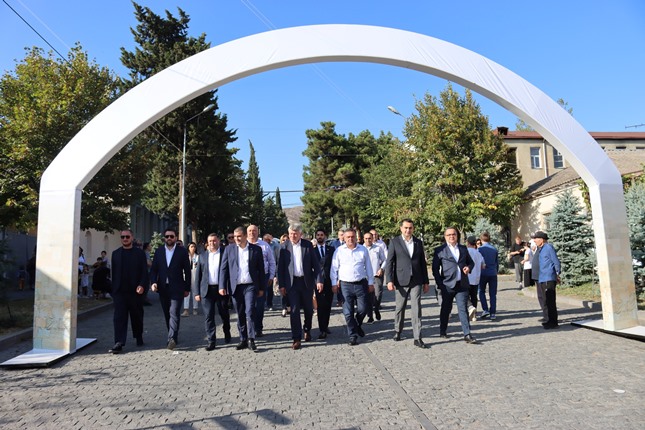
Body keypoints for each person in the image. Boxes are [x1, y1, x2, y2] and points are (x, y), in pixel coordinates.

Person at [219, 226, 265, 352]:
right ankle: (243, 338)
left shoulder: (256, 249)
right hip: (236, 286)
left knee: (249, 312)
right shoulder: (229, 249)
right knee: (239, 314)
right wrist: (222, 286)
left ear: (245, 236)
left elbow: (261, 270)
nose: (236, 239)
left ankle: (251, 338)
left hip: (250, 285)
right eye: (235, 237)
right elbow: (224, 269)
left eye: (239, 236)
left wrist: (261, 287)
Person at [384, 219, 429, 348]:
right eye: (406, 228)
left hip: (416, 280)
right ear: (401, 228)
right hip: (401, 279)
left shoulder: (418, 242)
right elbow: (389, 262)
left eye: (410, 228)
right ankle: (398, 330)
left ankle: (417, 337)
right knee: (400, 307)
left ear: (413, 229)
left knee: (416, 308)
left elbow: (422, 263)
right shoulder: (394, 242)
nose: (408, 230)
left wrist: (426, 281)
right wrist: (389, 280)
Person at [278, 224, 323, 349]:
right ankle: (296, 338)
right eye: (291, 233)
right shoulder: (283, 247)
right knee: (294, 310)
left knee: (308, 309)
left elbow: (316, 265)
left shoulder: (307, 245)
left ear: (300, 234)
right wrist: (281, 285)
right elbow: (280, 268)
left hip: (306, 282)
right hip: (292, 283)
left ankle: (307, 329)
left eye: (295, 233)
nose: (293, 236)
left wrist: (319, 280)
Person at [149, 227, 191, 350]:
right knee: (167, 313)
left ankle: (171, 338)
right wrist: (153, 282)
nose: (169, 238)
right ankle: (172, 335)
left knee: (174, 312)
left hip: (177, 287)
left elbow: (187, 271)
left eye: (171, 236)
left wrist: (187, 288)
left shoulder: (182, 252)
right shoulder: (159, 251)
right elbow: (154, 270)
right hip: (163, 288)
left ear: (176, 238)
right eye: (167, 236)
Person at [432, 228, 477, 344]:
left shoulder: (463, 248)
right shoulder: (440, 250)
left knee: (463, 309)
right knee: (446, 309)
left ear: (457, 236)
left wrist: (468, 268)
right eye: (449, 235)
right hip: (447, 285)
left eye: (453, 234)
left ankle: (467, 334)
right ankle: (443, 330)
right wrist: (440, 283)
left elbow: (471, 263)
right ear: (445, 236)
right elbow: (435, 269)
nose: (451, 236)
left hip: (461, 284)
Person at [331, 228, 374, 346]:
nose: (350, 239)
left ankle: (357, 324)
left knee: (363, 309)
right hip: (345, 285)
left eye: (352, 236)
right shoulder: (339, 251)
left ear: (356, 237)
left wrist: (371, 282)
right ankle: (353, 335)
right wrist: (334, 283)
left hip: (361, 284)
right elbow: (334, 268)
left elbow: (368, 267)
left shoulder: (363, 250)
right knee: (348, 313)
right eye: (348, 237)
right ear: (344, 238)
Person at [108, 229, 149, 354]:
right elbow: (113, 273)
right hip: (120, 291)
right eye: (122, 237)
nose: (125, 239)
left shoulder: (139, 254)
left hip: (135, 292)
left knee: (137, 316)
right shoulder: (115, 254)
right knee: (119, 317)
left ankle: (138, 335)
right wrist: (114, 289)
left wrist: (142, 285)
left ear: (132, 238)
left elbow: (144, 272)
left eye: (127, 237)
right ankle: (119, 342)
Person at [195, 233, 231, 350]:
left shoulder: (225, 253)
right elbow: (198, 275)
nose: (212, 243)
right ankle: (211, 340)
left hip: (221, 289)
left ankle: (227, 331)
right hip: (207, 290)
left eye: (214, 240)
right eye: (210, 241)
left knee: (224, 314)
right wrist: (197, 292)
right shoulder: (202, 256)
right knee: (208, 316)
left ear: (219, 241)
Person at [247, 224, 276, 338]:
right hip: (248, 279)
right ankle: (250, 327)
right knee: (250, 305)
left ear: (258, 232)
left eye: (254, 231)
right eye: (250, 231)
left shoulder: (264, 245)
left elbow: (271, 262)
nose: (252, 233)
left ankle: (258, 328)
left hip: (262, 277)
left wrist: (271, 276)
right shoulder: (243, 245)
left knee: (259, 304)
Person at [533, 231, 561, 329]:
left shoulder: (549, 247)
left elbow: (556, 261)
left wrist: (557, 274)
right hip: (542, 278)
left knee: (550, 301)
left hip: (548, 278)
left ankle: (553, 322)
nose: (534, 240)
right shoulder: (541, 249)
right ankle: (549, 320)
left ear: (542, 239)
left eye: (536, 239)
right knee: (545, 300)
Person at [312, 228, 335, 339]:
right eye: (318, 235)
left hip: (329, 280)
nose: (320, 237)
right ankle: (322, 329)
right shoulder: (312, 250)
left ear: (325, 236)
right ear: (316, 237)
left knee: (328, 304)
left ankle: (326, 325)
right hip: (317, 281)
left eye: (321, 235)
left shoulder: (331, 249)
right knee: (320, 305)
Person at [363, 231, 386, 323]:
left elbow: (385, 260)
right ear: (363, 239)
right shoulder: (360, 249)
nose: (368, 240)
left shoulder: (378, 248)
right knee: (368, 297)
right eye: (366, 238)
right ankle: (370, 316)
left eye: (370, 238)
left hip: (376, 275)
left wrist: (381, 269)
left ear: (372, 239)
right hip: (365, 277)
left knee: (377, 294)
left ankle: (376, 308)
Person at [478, 231, 499, 320]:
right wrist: (496, 271)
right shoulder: (494, 249)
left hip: (482, 273)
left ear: (481, 239)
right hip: (492, 273)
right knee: (493, 294)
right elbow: (497, 262)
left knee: (481, 291)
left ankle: (485, 309)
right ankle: (493, 313)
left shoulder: (479, 250)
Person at [466, 236, 485, 321]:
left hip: (467, 277)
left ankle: (470, 309)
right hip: (476, 277)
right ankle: (474, 315)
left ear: (468, 243)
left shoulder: (466, 252)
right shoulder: (478, 253)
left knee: (465, 295)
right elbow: (483, 266)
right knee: (474, 296)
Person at [181, 242, 200, 317]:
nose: (193, 248)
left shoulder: (198, 256)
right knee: (186, 292)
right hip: (186, 276)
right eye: (191, 246)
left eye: (194, 247)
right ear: (188, 247)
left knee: (195, 292)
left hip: (195, 275)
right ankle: (186, 309)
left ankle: (195, 308)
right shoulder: (185, 256)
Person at [263, 233, 279, 311]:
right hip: (262, 270)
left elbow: (275, 259)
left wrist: (274, 272)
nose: (267, 241)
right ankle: (262, 303)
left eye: (269, 240)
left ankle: (269, 304)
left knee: (269, 289)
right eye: (266, 240)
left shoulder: (274, 246)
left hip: (270, 270)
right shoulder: (261, 246)